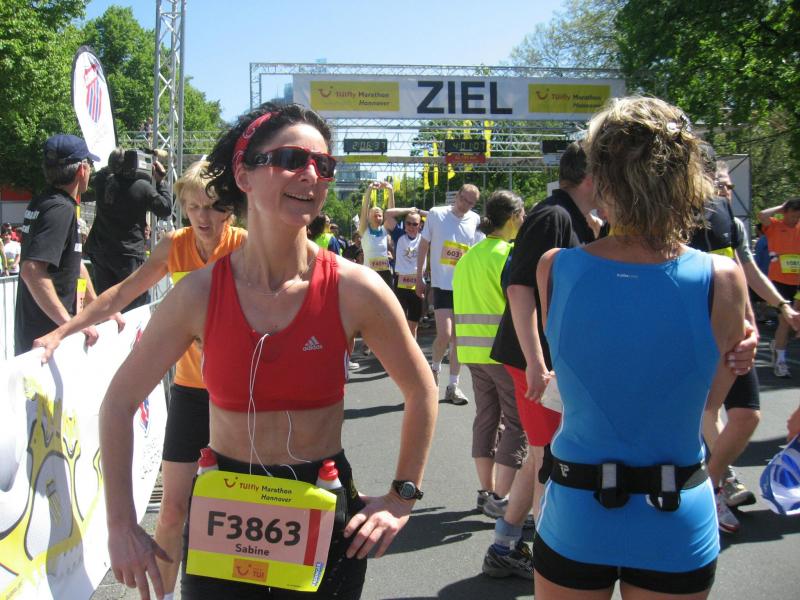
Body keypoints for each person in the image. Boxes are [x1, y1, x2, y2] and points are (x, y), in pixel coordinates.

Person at [98, 103, 437, 600]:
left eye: (323, 165)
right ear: (244, 174)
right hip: (225, 504)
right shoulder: (198, 293)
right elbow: (118, 402)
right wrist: (121, 524)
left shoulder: (355, 288)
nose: (311, 174)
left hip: (321, 497)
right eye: (292, 158)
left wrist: (402, 496)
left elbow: (422, 391)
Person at [533, 96, 749, 599]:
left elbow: (578, 366)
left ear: (599, 177)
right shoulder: (722, 277)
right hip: (675, 512)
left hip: (578, 510)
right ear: (686, 177)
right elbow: (710, 401)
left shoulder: (555, 268)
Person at [33, 160, 246, 598]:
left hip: (242, 398)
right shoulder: (174, 245)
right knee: (171, 511)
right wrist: (61, 332)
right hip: (191, 392)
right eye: (192, 207)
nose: (202, 217)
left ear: (229, 209)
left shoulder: (247, 246)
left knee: (238, 509)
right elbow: (121, 293)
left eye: (212, 206)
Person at [487, 142, 598, 573]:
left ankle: (505, 546)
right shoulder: (553, 215)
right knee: (551, 458)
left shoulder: (574, 218)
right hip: (534, 360)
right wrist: (535, 361)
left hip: (544, 360)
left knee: (542, 455)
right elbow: (518, 286)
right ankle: (549, 561)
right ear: (590, 177)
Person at [701, 162, 800, 532]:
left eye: (729, 185)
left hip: (737, 333)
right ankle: (719, 482)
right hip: (701, 334)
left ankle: (712, 479)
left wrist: (782, 306)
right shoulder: (684, 222)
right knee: (707, 409)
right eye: (720, 184)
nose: (726, 190)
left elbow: (748, 273)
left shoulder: (732, 224)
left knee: (747, 415)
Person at [450, 191, 531, 576]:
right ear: (512, 217)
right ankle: (503, 497)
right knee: (516, 424)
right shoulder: (508, 255)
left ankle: (487, 492)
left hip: (471, 351)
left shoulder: (469, 256)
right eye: (523, 214)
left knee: (486, 417)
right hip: (502, 353)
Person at [13, 134, 100, 355]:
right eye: (89, 165)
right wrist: (69, 325)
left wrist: (100, 310)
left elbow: (74, 263)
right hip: (47, 341)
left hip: (44, 336)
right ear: (82, 169)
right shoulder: (60, 209)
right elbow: (31, 269)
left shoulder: (43, 201)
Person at [416, 184, 484, 404]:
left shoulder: (475, 220)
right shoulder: (436, 214)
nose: (465, 205)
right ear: (457, 196)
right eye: (463, 199)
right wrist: (419, 276)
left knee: (459, 340)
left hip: (464, 287)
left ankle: (453, 386)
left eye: (471, 203)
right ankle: (434, 371)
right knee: (444, 334)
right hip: (441, 284)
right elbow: (423, 245)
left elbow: (478, 253)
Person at [85, 146, 173, 311]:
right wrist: (160, 182)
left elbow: (105, 172)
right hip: (128, 255)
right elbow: (165, 208)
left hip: (101, 252)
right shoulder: (141, 187)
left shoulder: (102, 181)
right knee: (134, 306)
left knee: (105, 304)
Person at [757, 197, 800, 377]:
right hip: (780, 281)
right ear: (785, 213)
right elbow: (762, 215)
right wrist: (781, 207)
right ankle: (781, 362)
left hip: (798, 281)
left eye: (798, 217)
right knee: (785, 321)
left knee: (794, 324)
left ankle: (778, 345)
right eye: (792, 216)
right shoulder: (774, 225)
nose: (795, 220)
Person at [358, 180, 395, 287]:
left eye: (380, 215)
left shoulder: (384, 230)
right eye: (375, 215)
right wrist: (369, 190)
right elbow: (364, 209)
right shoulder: (364, 230)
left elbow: (392, 213)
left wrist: (390, 190)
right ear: (369, 217)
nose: (378, 217)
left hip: (385, 274)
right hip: (369, 274)